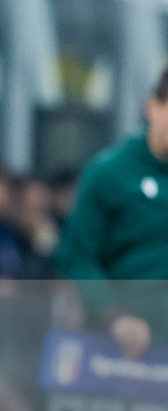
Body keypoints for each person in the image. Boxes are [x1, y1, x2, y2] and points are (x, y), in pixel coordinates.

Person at [56, 67, 168, 357]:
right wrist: (114, 315)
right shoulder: (109, 173)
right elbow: (78, 257)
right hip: (118, 349)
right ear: (153, 108)